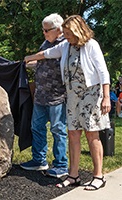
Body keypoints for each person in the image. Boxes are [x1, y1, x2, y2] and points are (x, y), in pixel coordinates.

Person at [24, 15, 111, 191]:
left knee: (91, 134)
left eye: (69, 34)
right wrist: (27, 58)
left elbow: (103, 72)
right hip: (72, 95)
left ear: (78, 31)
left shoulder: (91, 45)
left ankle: (98, 176)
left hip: (91, 94)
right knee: (73, 134)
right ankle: (73, 175)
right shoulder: (65, 46)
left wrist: (107, 97)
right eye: (65, 33)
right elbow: (46, 54)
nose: (66, 37)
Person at [20, 13, 68, 178]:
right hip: (41, 96)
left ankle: (61, 164)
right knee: (37, 127)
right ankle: (39, 160)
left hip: (57, 95)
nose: (44, 33)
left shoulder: (66, 44)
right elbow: (42, 61)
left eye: (47, 30)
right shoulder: (45, 43)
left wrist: (34, 59)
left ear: (59, 29)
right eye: (43, 30)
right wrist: (27, 65)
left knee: (58, 129)